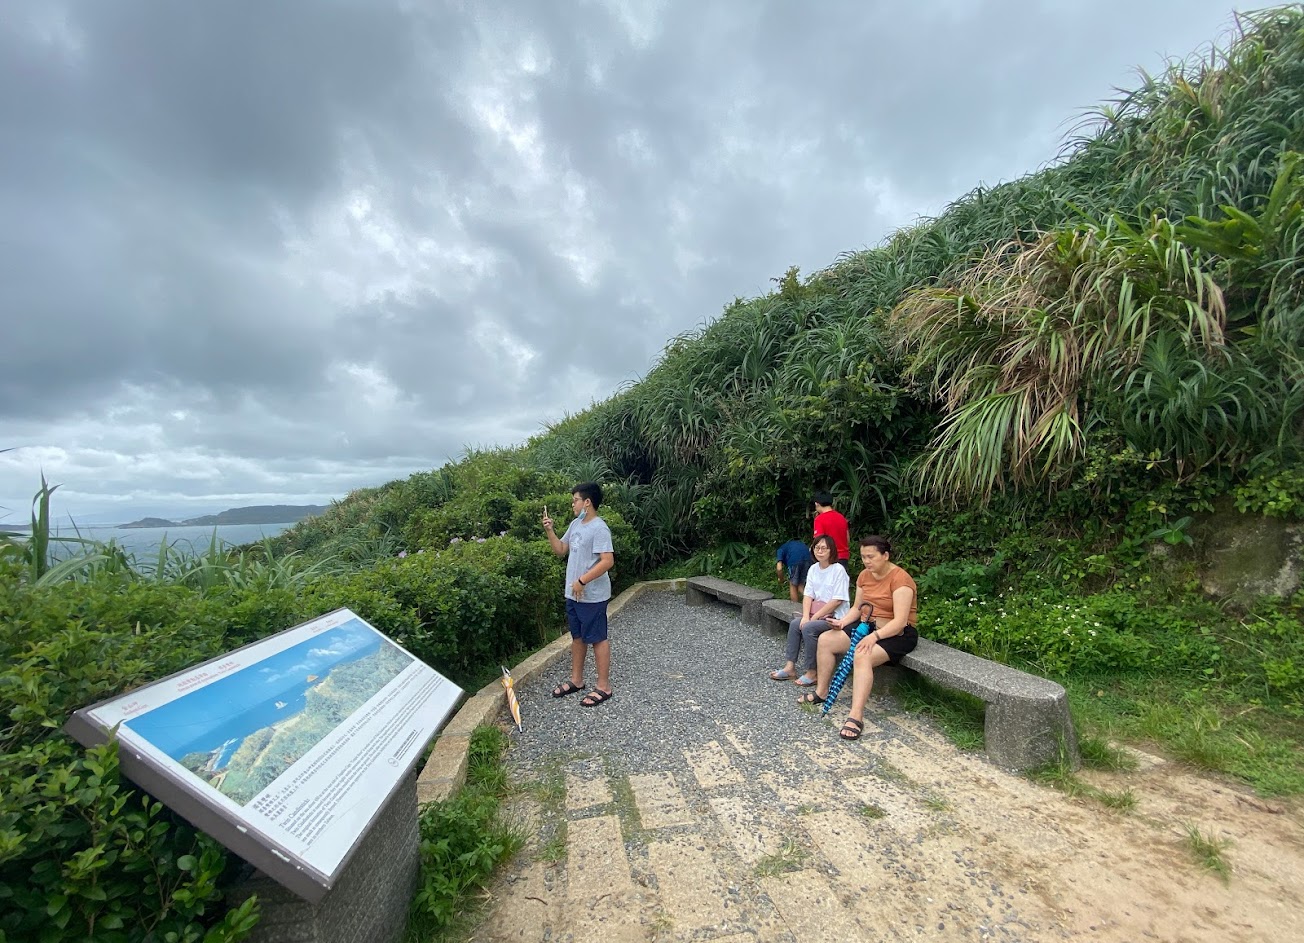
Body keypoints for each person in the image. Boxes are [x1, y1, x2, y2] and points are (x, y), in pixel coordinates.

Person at [799, 535, 918, 741]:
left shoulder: (901, 580)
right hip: (866, 627)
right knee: (826, 640)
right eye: (863, 557)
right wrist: (842, 623)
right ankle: (822, 692)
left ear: (885, 555)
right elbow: (857, 608)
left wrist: (875, 637)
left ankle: (856, 716)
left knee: (862, 655)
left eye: (871, 557)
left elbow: (900, 621)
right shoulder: (864, 576)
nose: (866, 561)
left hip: (896, 633)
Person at [543, 482, 616, 707]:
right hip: (573, 594)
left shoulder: (599, 528)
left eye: (575, 500)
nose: (572, 504)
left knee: (597, 638)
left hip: (592, 595)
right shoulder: (575, 524)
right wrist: (549, 530)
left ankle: (603, 687)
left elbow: (607, 561)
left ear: (587, 502)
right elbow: (560, 550)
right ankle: (577, 680)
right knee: (577, 637)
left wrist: (583, 580)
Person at [769, 534, 849, 686]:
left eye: (824, 548)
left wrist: (814, 617)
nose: (820, 551)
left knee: (809, 628)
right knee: (795, 624)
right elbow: (808, 595)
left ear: (831, 550)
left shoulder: (838, 570)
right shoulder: (813, 569)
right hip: (815, 613)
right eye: (817, 548)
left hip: (834, 616)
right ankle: (790, 667)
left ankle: (812, 672)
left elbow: (837, 600)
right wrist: (806, 616)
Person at [812, 490, 850, 562]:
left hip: (829, 558)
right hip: (844, 557)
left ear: (817, 504)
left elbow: (819, 541)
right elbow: (847, 539)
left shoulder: (819, 519)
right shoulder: (841, 517)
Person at [774, 538, 814, 603]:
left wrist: (781, 579)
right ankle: (813, 601)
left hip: (794, 562)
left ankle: (794, 606)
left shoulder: (780, 549)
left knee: (793, 585)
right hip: (808, 560)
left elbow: (779, 568)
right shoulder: (800, 544)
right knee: (801, 584)